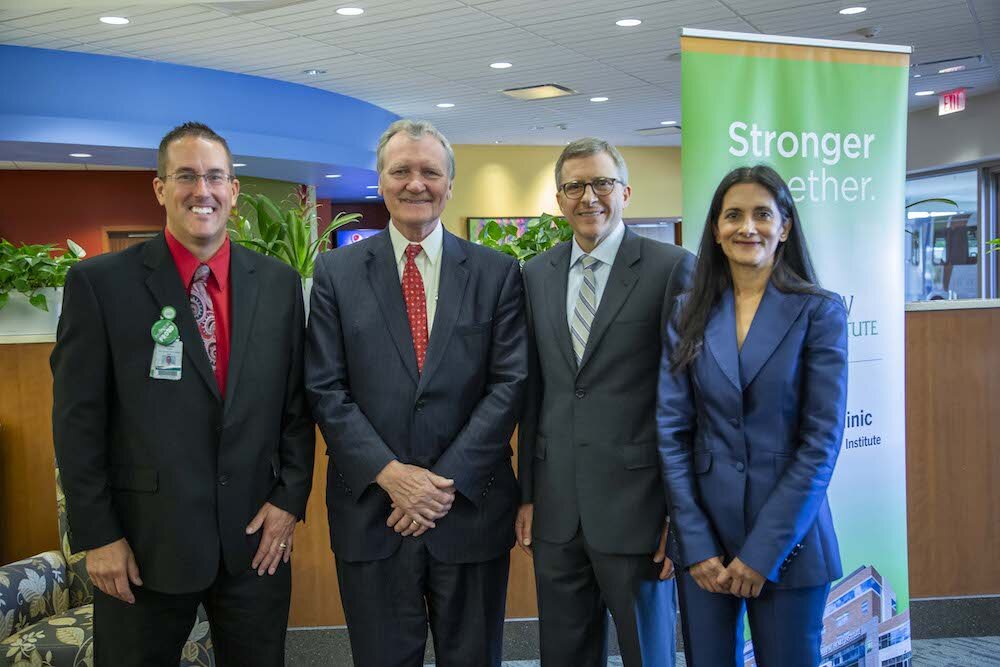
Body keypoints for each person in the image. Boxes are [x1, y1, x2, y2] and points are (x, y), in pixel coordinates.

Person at [51, 121, 315, 665]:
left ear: (234, 190)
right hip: (141, 548)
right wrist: (98, 537)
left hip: (254, 543)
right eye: (187, 176)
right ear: (160, 188)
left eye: (216, 176)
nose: (203, 190)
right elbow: (78, 423)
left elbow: (296, 407)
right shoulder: (100, 285)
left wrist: (288, 501)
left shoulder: (278, 284)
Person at [305, 118, 527, 666]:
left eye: (430, 171)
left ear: (450, 184)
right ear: (380, 180)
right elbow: (325, 387)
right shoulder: (335, 272)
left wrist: (438, 487)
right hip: (373, 513)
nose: (415, 183)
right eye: (400, 170)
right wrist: (393, 476)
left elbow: (509, 383)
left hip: (470, 509)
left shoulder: (498, 273)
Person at [656, 165, 848, 666]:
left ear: (785, 226)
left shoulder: (819, 312)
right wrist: (695, 546)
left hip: (790, 541)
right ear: (716, 231)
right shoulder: (687, 311)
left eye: (763, 214)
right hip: (706, 548)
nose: (748, 227)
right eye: (733, 215)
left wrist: (762, 553)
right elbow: (672, 433)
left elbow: (820, 444)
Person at [516, 137, 693, 666]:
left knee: (649, 654)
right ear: (558, 198)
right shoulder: (534, 275)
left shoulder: (672, 267)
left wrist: (679, 511)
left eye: (601, 183)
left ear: (625, 192)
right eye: (573, 186)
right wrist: (527, 494)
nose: (587, 197)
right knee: (564, 654)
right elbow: (533, 393)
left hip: (639, 510)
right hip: (556, 509)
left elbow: (686, 398)